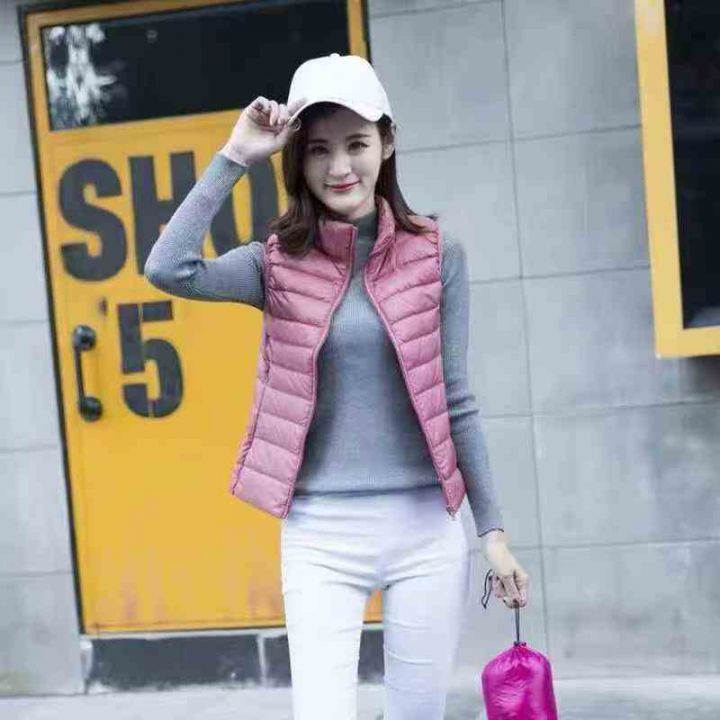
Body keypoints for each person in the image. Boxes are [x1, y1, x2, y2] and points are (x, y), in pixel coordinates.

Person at [145, 53, 529, 720]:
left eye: (356, 143)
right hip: (320, 533)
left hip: (425, 528)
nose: (339, 166)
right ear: (298, 159)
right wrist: (235, 156)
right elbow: (168, 268)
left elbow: (457, 399)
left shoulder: (437, 254)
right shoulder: (274, 264)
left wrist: (491, 531)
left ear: (387, 142)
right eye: (319, 149)